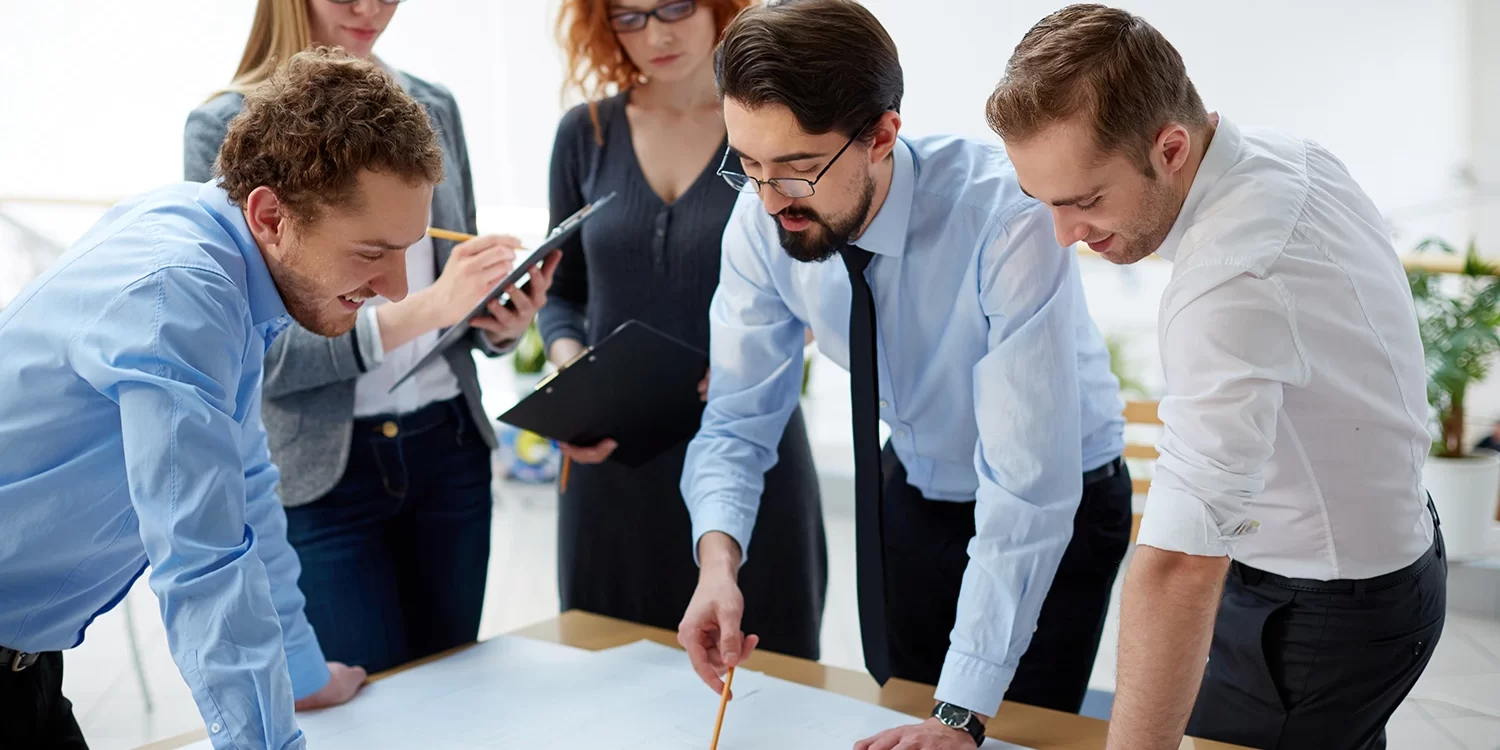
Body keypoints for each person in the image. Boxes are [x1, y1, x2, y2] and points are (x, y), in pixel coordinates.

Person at [988, 5, 1447, 749]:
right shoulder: (1287, 155)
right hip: (1389, 561)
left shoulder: (1230, 277)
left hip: (1318, 610)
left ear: (1170, 147)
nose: (1064, 235)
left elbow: (1175, 566)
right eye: (1045, 202)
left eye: (1085, 200)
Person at [674, 2, 1131, 747]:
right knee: (901, 715)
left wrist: (962, 713)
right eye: (747, 166)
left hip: (1061, 502)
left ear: (882, 135)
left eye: (795, 171)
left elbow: (1027, 484)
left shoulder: (1003, 215)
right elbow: (737, 416)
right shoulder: (762, 217)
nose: (768, 200)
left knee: (1011, 730)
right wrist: (716, 563)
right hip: (917, 482)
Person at [0, 49, 434, 749]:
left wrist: (298, 672)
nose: (399, 288)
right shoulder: (181, 288)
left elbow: (247, 490)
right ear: (270, 214)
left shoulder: (224, 252)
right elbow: (200, 559)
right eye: (371, 253)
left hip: (25, 662)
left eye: (406, 251)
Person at [184, 0, 555, 675]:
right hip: (325, 473)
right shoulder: (225, 125)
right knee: (364, 708)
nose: (370, 9)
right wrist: (429, 306)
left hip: (448, 446)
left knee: (452, 692)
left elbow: (454, 294)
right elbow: (258, 352)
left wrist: (500, 324)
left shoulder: (432, 106)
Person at [540, 0, 828, 660]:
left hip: (752, 447)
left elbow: (825, 287)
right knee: (606, 677)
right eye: (629, 17)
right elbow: (563, 292)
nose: (658, 33)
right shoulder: (585, 134)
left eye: (675, 6)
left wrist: (741, 361)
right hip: (612, 458)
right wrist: (572, 366)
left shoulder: (773, 128)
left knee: (763, 680)